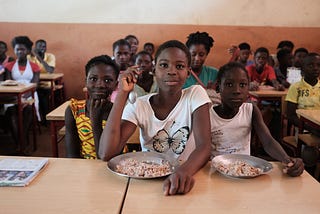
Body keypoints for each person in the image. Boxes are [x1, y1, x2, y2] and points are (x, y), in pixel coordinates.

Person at [99, 40, 212, 196]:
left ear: (188, 72)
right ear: (154, 69)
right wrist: (122, 93)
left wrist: (183, 172)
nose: (171, 71)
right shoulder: (139, 105)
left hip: (186, 176)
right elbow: (106, 153)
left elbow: (204, 146)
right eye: (164, 65)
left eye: (179, 66)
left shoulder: (195, 94)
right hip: (147, 180)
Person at [210, 62, 304, 177]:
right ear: (218, 87)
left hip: (244, 171)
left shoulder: (250, 110)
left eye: (243, 85)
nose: (237, 90)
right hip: (216, 173)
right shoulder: (208, 114)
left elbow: (268, 141)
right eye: (229, 84)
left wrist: (287, 160)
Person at [65, 55, 119, 159]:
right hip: (83, 170)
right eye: (93, 79)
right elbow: (72, 156)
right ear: (86, 81)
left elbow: (106, 158)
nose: (100, 85)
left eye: (108, 80)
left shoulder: (120, 113)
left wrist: (96, 122)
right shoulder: (75, 110)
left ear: (116, 85)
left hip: (114, 167)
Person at [4, 36, 41, 151]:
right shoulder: (9, 66)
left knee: (28, 110)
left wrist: (24, 98)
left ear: (28, 51)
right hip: (13, 96)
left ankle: (21, 141)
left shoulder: (35, 66)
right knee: (12, 112)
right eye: (17, 49)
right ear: (14, 51)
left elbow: (35, 85)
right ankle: (20, 142)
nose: (20, 52)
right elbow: (8, 83)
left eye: (22, 49)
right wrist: (17, 98)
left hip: (29, 95)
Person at [28, 39, 56, 125]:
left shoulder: (50, 56)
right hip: (31, 85)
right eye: (39, 46)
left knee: (43, 95)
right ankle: (37, 121)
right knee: (33, 95)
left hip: (46, 84)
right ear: (35, 48)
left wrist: (39, 57)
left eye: (44, 46)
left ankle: (45, 120)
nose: (42, 48)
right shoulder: (29, 57)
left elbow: (50, 70)